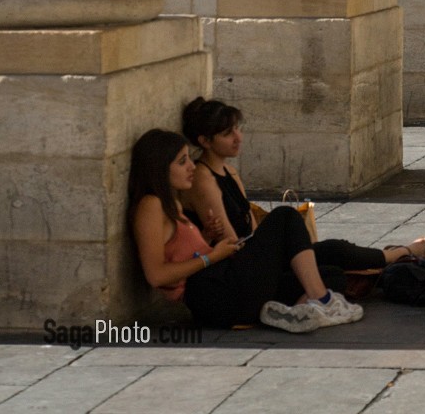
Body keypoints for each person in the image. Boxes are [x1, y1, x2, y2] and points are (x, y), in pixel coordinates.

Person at [128, 129, 364, 333]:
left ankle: (291, 312)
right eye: (182, 162)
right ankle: (319, 300)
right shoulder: (151, 205)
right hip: (211, 293)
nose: (191, 166)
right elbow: (156, 275)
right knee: (285, 216)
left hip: (224, 285)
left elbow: (179, 250)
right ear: (159, 168)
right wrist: (212, 256)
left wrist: (207, 236)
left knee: (331, 275)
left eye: (189, 158)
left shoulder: (173, 204)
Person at [180, 96, 425, 261]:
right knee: (328, 250)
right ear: (205, 141)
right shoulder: (203, 179)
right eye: (228, 133)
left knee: (333, 259)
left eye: (238, 129)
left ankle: (396, 257)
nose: (238, 138)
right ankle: (402, 254)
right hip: (242, 264)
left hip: (255, 253)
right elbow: (231, 241)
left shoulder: (229, 171)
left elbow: (250, 226)